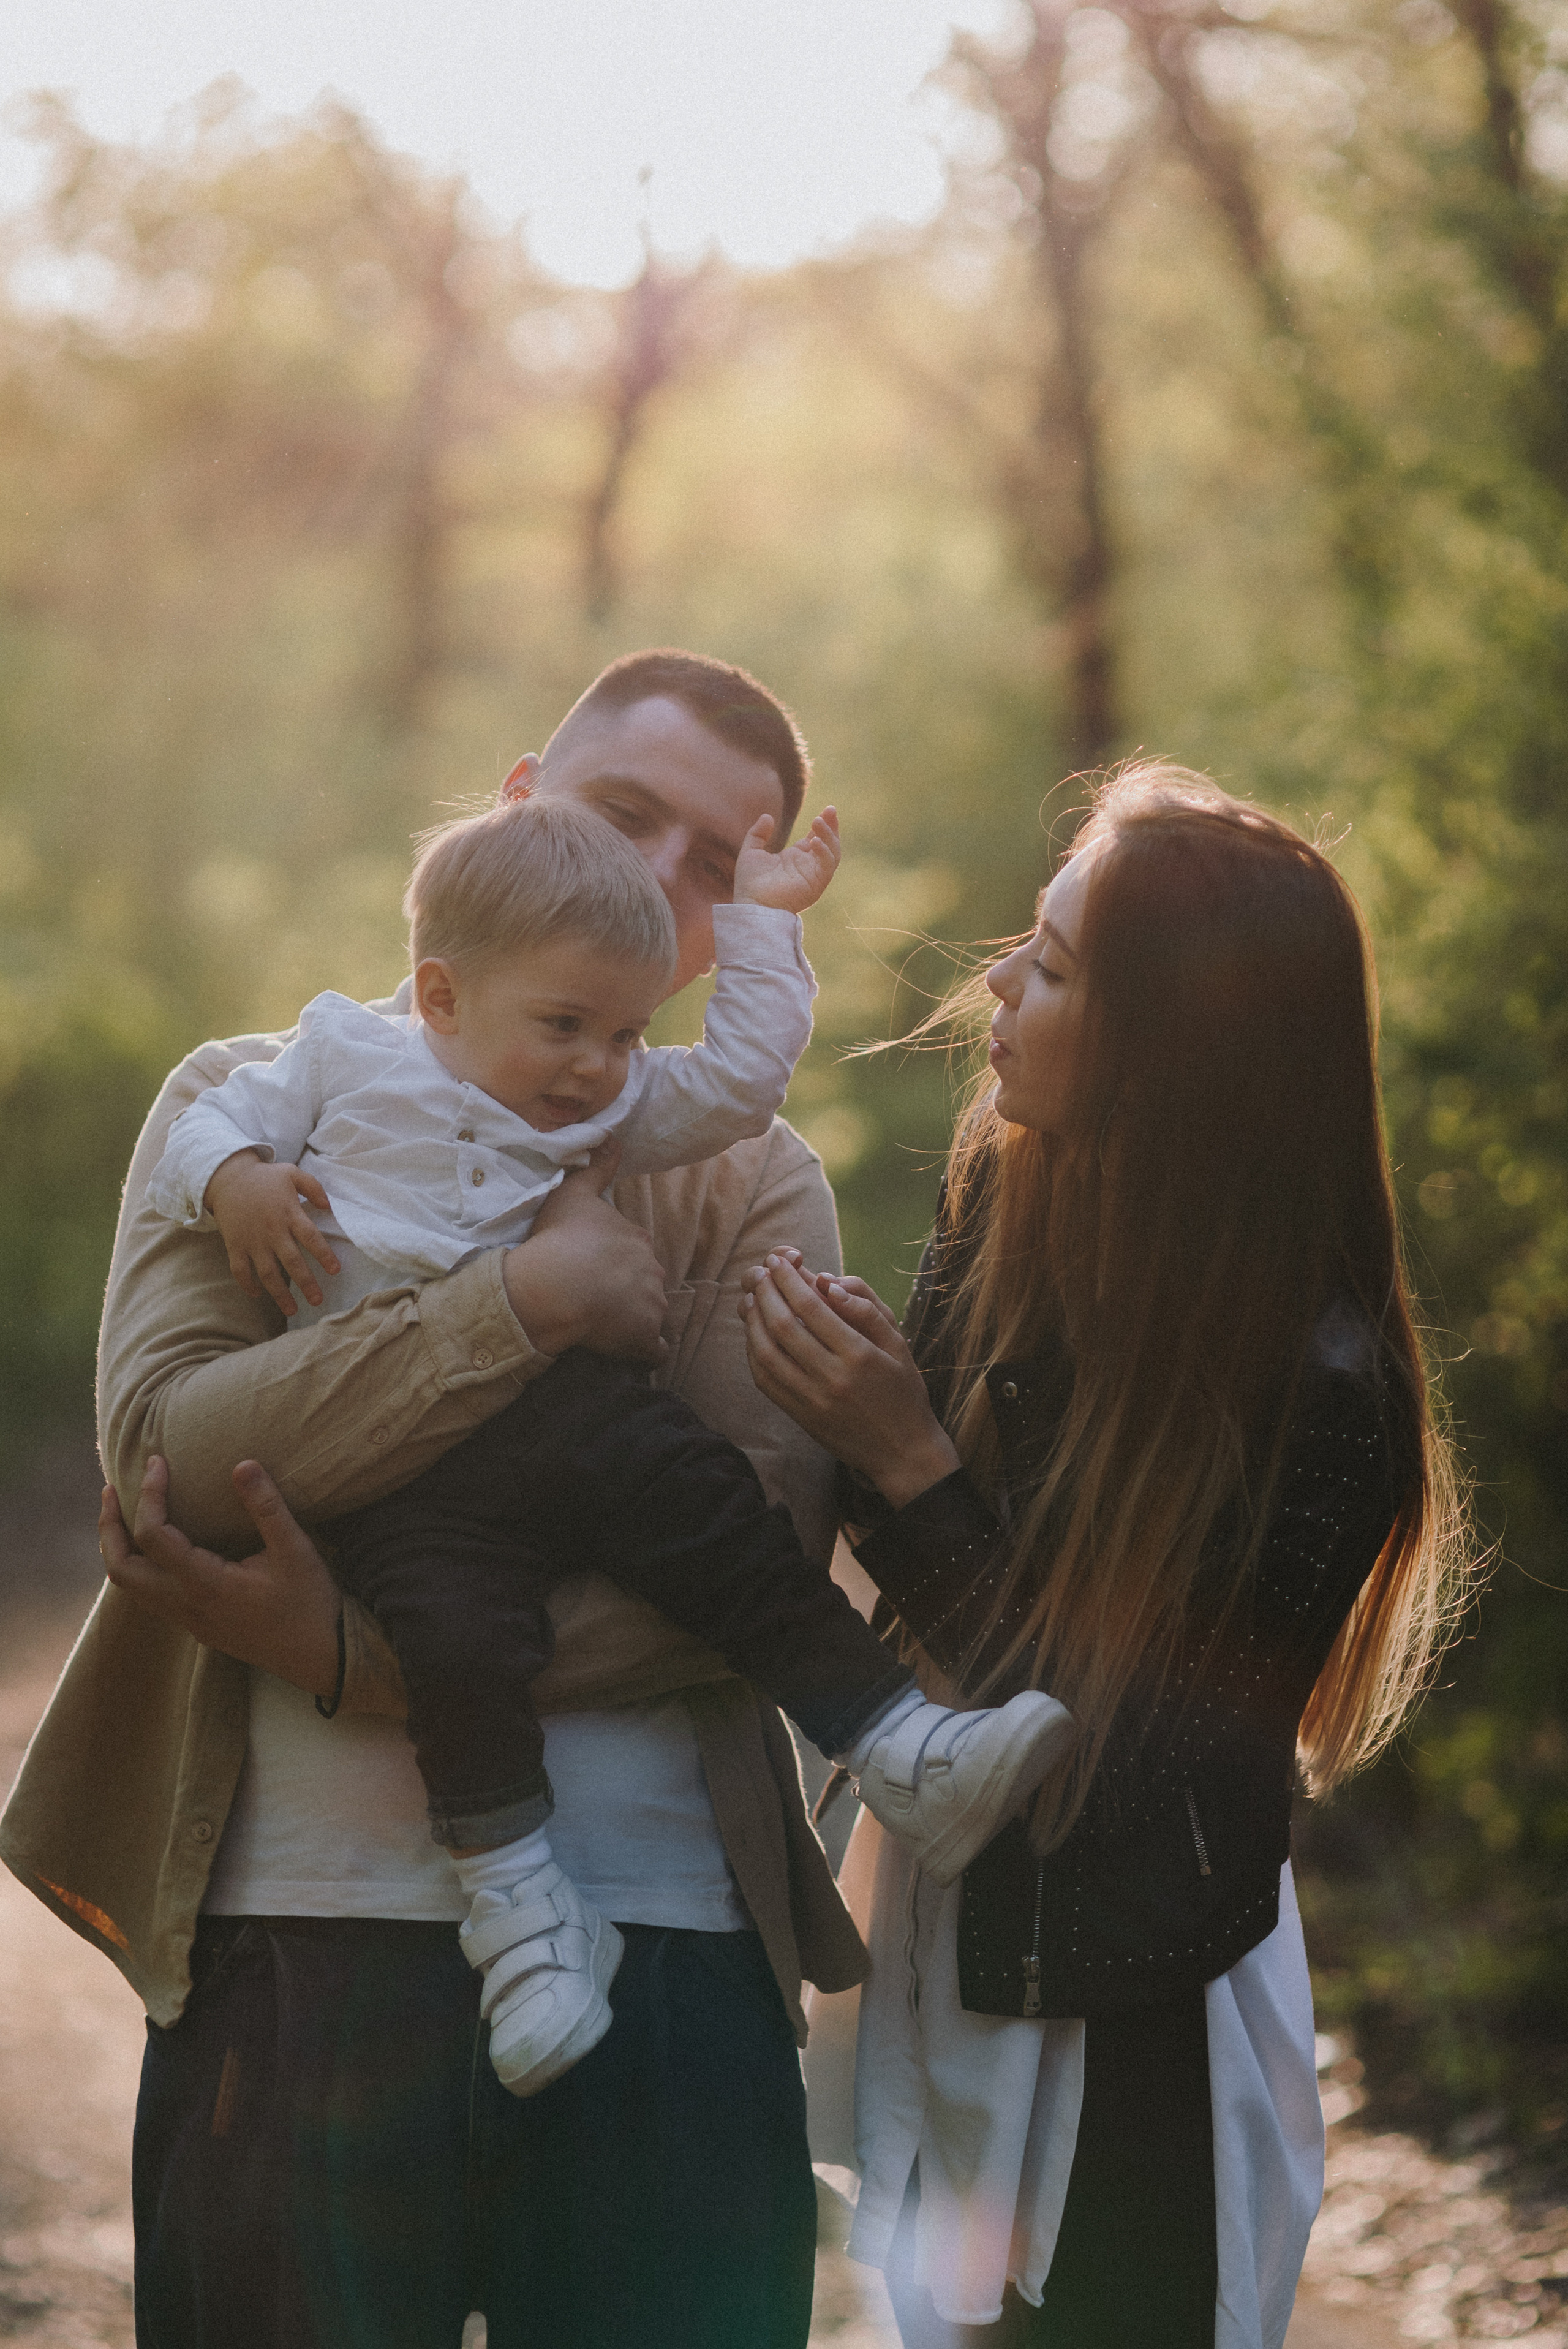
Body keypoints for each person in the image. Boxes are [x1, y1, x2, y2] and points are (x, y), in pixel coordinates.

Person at [4, 649, 923, 2349]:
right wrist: (526, 1307)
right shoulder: (244, 1112)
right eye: (623, 812)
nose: (661, 874)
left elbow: (747, 1557)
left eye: (718, 865)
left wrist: (350, 1650)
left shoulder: (758, 1181)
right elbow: (171, 1467)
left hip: (671, 1952)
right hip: (300, 1949)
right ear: (514, 806)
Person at [144, 787, 1071, 2098]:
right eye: (565, 1027)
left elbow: (742, 1080)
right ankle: (520, 1914)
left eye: (627, 1033)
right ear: (442, 995)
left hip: (572, 1423)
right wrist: (238, 1178)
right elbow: (201, 1129)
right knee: (460, 1651)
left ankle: (894, 1736)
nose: (594, 1065)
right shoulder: (336, 1056)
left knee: (709, 1517)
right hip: (406, 1471)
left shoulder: (604, 1108)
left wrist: (756, 926)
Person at [741, 765, 1469, 2348]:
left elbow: (1102, 1764)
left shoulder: (1322, 1400)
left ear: (1177, 1055)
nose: (1000, 981)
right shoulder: (1017, 1205)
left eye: (1058, 966)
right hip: (965, 1947)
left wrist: (911, 1460)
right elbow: (903, 1523)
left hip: (1142, 2020)